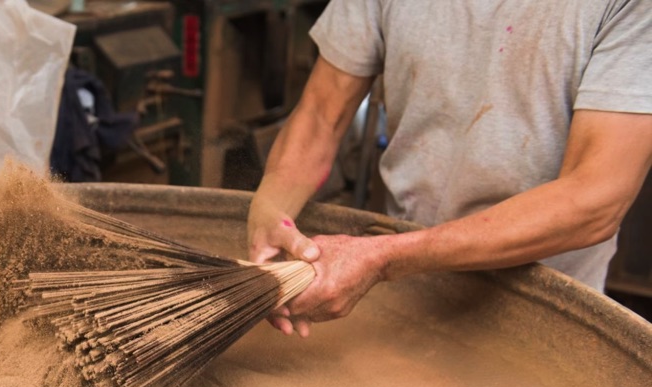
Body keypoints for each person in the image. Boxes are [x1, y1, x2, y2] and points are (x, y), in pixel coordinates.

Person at [248, 0, 652, 338]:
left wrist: (381, 257)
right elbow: (322, 113)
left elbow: (596, 198)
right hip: (405, 287)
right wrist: (272, 206)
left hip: (543, 308)